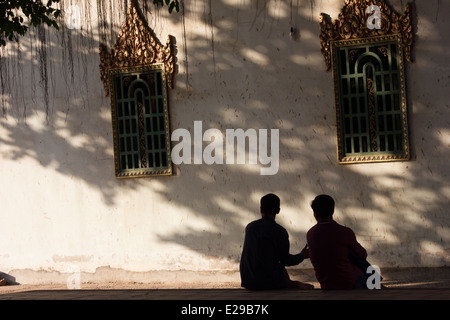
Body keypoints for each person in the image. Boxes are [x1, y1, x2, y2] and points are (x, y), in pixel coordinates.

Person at [240, 193, 313, 290]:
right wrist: (302, 255)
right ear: (278, 211)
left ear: (261, 209)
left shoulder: (250, 227)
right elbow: (285, 260)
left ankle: (290, 283)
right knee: (308, 287)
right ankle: (293, 284)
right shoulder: (279, 231)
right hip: (268, 282)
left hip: (248, 281)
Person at [306, 194, 378, 289]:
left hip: (326, 284)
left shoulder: (311, 233)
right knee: (354, 255)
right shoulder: (344, 232)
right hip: (350, 281)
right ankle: (377, 284)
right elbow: (362, 254)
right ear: (332, 211)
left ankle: (376, 282)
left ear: (315, 213)